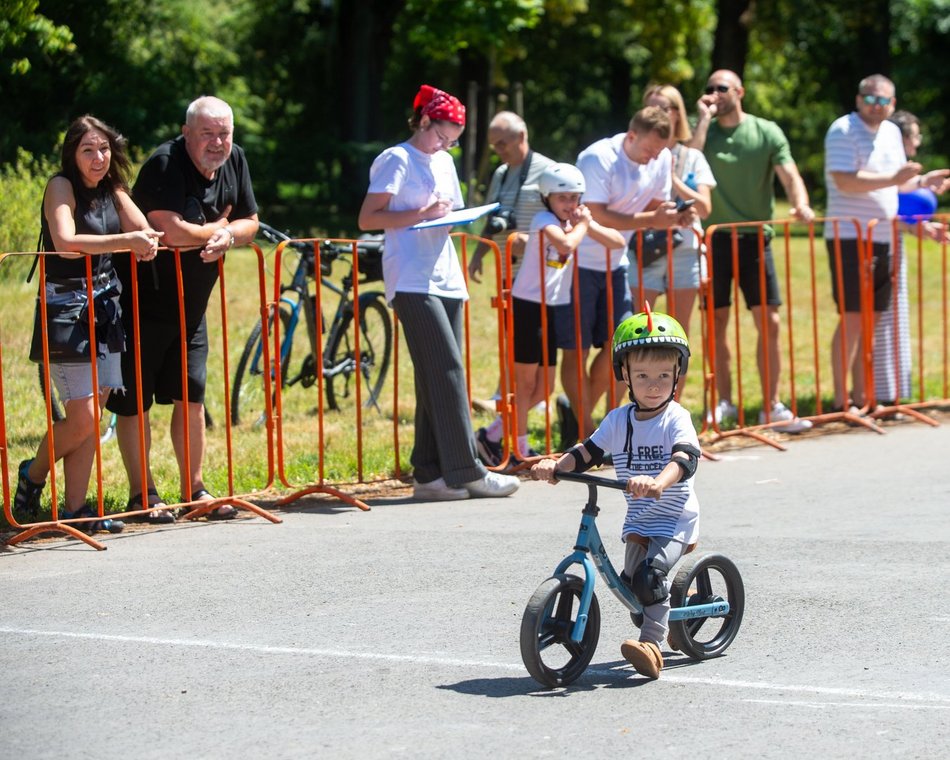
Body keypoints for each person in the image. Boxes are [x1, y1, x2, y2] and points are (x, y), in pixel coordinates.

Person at [358, 84, 519, 501]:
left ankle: (428, 474)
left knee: (435, 374)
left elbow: (449, 213)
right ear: (424, 121)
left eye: (452, 141)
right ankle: (468, 468)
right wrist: (422, 214)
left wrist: (455, 217)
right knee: (447, 368)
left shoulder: (443, 161)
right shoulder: (397, 158)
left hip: (444, 273)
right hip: (410, 277)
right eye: (441, 135)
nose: (445, 145)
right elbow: (368, 217)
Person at [106, 96, 260, 520]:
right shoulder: (164, 163)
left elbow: (251, 220)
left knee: (191, 397)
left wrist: (230, 236)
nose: (217, 143)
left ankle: (195, 490)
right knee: (134, 402)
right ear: (187, 132)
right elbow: (167, 231)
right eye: (207, 133)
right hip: (143, 302)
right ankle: (143, 495)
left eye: (224, 133)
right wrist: (215, 229)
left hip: (192, 308)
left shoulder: (236, 160)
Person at [531, 308, 702, 680]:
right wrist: (556, 466)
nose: (653, 384)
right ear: (624, 374)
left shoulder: (676, 418)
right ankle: (667, 613)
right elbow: (587, 453)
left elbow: (685, 458)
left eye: (662, 375)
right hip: (640, 519)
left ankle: (652, 646)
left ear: (677, 375)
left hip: (674, 518)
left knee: (648, 579)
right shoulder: (618, 420)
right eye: (642, 376)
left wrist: (660, 481)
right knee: (632, 588)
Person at [14, 115, 162, 532]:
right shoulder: (60, 186)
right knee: (82, 418)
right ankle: (33, 474)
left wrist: (148, 240)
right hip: (66, 311)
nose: (98, 158)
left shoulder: (113, 189)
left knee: (92, 417)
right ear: (71, 154)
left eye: (104, 149)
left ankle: (77, 510)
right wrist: (127, 243)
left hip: (105, 308)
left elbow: (142, 228)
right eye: (88, 150)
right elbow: (65, 244)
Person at [474, 163, 625, 467]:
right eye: (562, 198)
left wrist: (588, 223)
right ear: (547, 198)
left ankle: (492, 434)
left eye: (575, 198)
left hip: (551, 308)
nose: (569, 204)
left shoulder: (574, 222)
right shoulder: (545, 220)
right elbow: (566, 244)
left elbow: (618, 243)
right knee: (525, 384)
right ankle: (518, 447)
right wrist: (582, 224)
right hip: (527, 306)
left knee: (544, 388)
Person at [560, 106, 695, 445]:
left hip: (617, 263)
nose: (653, 158)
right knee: (575, 351)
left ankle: (589, 424)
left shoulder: (661, 158)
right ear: (631, 136)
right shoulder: (597, 158)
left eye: (660, 151)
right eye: (649, 150)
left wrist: (671, 215)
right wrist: (651, 219)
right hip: (578, 263)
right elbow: (598, 214)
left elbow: (654, 202)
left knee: (617, 348)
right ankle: (585, 427)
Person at [691, 69, 815, 432]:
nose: (715, 94)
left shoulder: (766, 131)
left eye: (722, 88)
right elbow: (688, 164)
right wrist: (702, 120)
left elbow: (790, 175)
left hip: (754, 239)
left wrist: (801, 204)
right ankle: (724, 402)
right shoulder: (706, 132)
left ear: (740, 92)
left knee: (769, 322)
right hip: (712, 239)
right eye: (710, 89)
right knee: (716, 323)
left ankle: (772, 405)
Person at [824, 75, 949, 412]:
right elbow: (845, 181)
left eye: (884, 101)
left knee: (872, 320)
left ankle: (867, 398)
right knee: (852, 318)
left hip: (882, 236)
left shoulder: (892, 132)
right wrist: (895, 179)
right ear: (858, 98)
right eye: (871, 99)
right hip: (850, 235)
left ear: (892, 104)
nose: (876, 105)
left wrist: (922, 180)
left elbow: (897, 185)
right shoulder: (842, 129)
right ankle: (841, 399)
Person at [873, 110, 948, 406]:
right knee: (883, 320)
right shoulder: (887, 168)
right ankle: (880, 393)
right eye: (915, 135)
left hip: (896, 243)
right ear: (901, 137)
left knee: (896, 319)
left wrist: (923, 228)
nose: (918, 141)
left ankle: (893, 392)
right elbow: (885, 211)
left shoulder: (901, 171)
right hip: (879, 243)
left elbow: (898, 215)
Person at [630, 84, 715, 343]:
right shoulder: (634, 153)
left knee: (678, 334)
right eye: (650, 107)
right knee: (637, 330)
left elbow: (705, 209)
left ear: (677, 113)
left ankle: (674, 385)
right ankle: (636, 383)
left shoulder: (692, 157)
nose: (656, 112)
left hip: (684, 250)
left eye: (663, 107)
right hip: (644, 247)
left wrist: (673, 180)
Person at [467, 111, 555, 283]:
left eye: (501, 144)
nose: (497, 151)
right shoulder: (500, 173)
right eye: (493, 145)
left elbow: (565, 223)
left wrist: (532, 243)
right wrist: (478, 255)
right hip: (507, 273)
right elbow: (492, 221)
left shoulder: (549, 171)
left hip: (542, 276)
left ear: (521, 136)